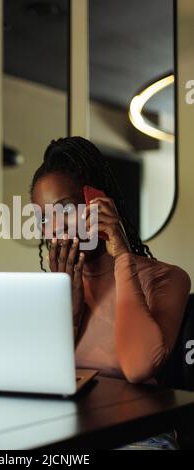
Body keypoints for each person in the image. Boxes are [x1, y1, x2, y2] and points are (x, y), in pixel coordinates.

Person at [30, 136, 191, 450]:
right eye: (45, 218)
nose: (56, 228)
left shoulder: (166, 279)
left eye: (65, 210)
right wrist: (68, 308)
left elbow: (138, 366)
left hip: (138, 435)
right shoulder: (55, 287)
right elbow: (41, 378)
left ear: (96, 203)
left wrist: (122, 257)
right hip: (68, 432)